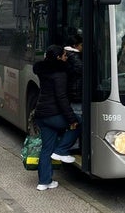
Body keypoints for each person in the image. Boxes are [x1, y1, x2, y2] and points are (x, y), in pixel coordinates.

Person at [33, 45, 80, 191]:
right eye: (65, 56)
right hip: (53, 115)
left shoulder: (44, 71)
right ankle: (62, 150)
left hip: (41, 115)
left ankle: (44, 182)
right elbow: (61, 97)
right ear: (59, 58)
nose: (67, 58)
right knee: (80, 122)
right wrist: (72, 119)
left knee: (46, 148)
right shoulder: (60, 74)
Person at [64, 34, 83, 115]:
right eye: (81, 45)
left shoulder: (66, 54)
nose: (83, 47)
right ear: (75, 46)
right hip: (76, 93)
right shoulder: (74, 56)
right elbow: (81, 69)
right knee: (77, 117)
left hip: (72, 93)